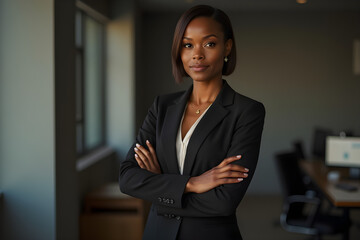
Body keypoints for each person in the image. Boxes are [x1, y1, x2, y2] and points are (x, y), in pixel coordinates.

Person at [119, 5, 265, 240]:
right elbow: (127, 178)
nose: (197, 54)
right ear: (179, 51)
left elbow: (224, 202)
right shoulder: (162, 107)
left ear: (227, 47)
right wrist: (193, 184)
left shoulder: (247, 111)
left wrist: (159, 185)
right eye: (188, 45)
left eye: (209, 44)